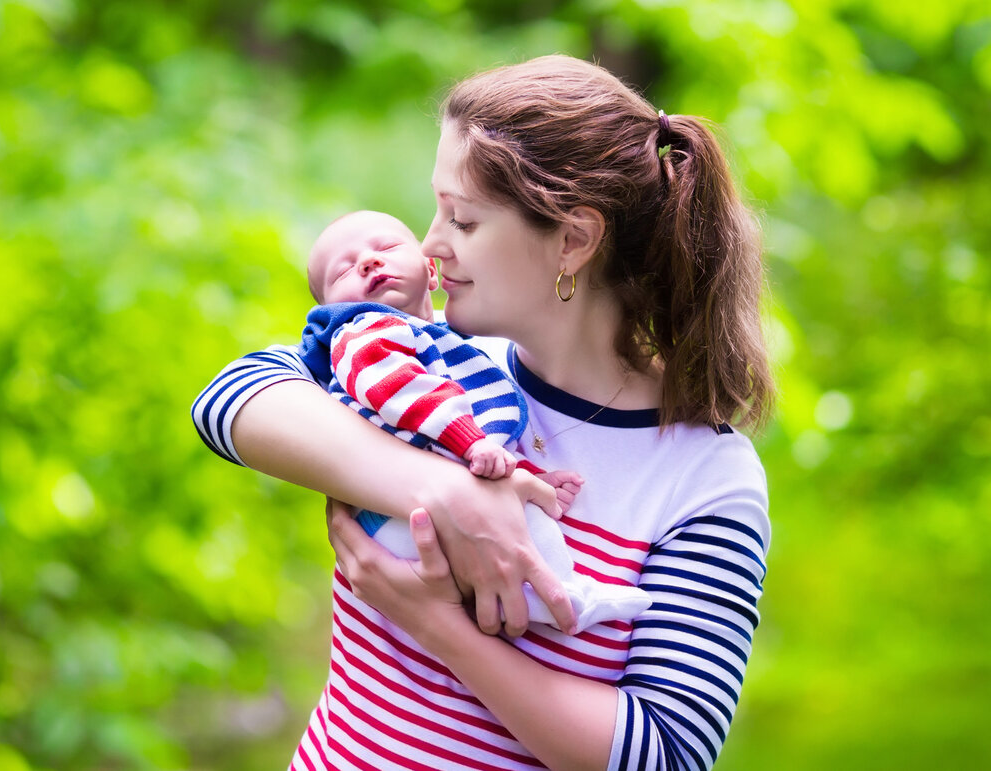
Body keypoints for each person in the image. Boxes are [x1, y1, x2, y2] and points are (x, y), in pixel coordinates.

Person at [192, 54, 773, 771]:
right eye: (435, 209)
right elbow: (228, 399)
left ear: (573, 240)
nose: (430, 246)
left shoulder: (705, 477)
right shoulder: (440, 366)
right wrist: (443, 490)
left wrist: (443, 630)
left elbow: (665, 754)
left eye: (462, 220)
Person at [300, 209, 653, 630]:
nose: (368, 262)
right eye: (343, 271)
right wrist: (473, 443)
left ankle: (550, 593)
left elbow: (467, 441)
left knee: (518, 520)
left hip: (408, 517)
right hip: (397, 519)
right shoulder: (364, 335)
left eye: (387, 248)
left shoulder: (445, 344)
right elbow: (405, 395)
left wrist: (528, 475)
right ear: (328, 309)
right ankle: (559, 595)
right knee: (515, 530)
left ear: (430, 273)